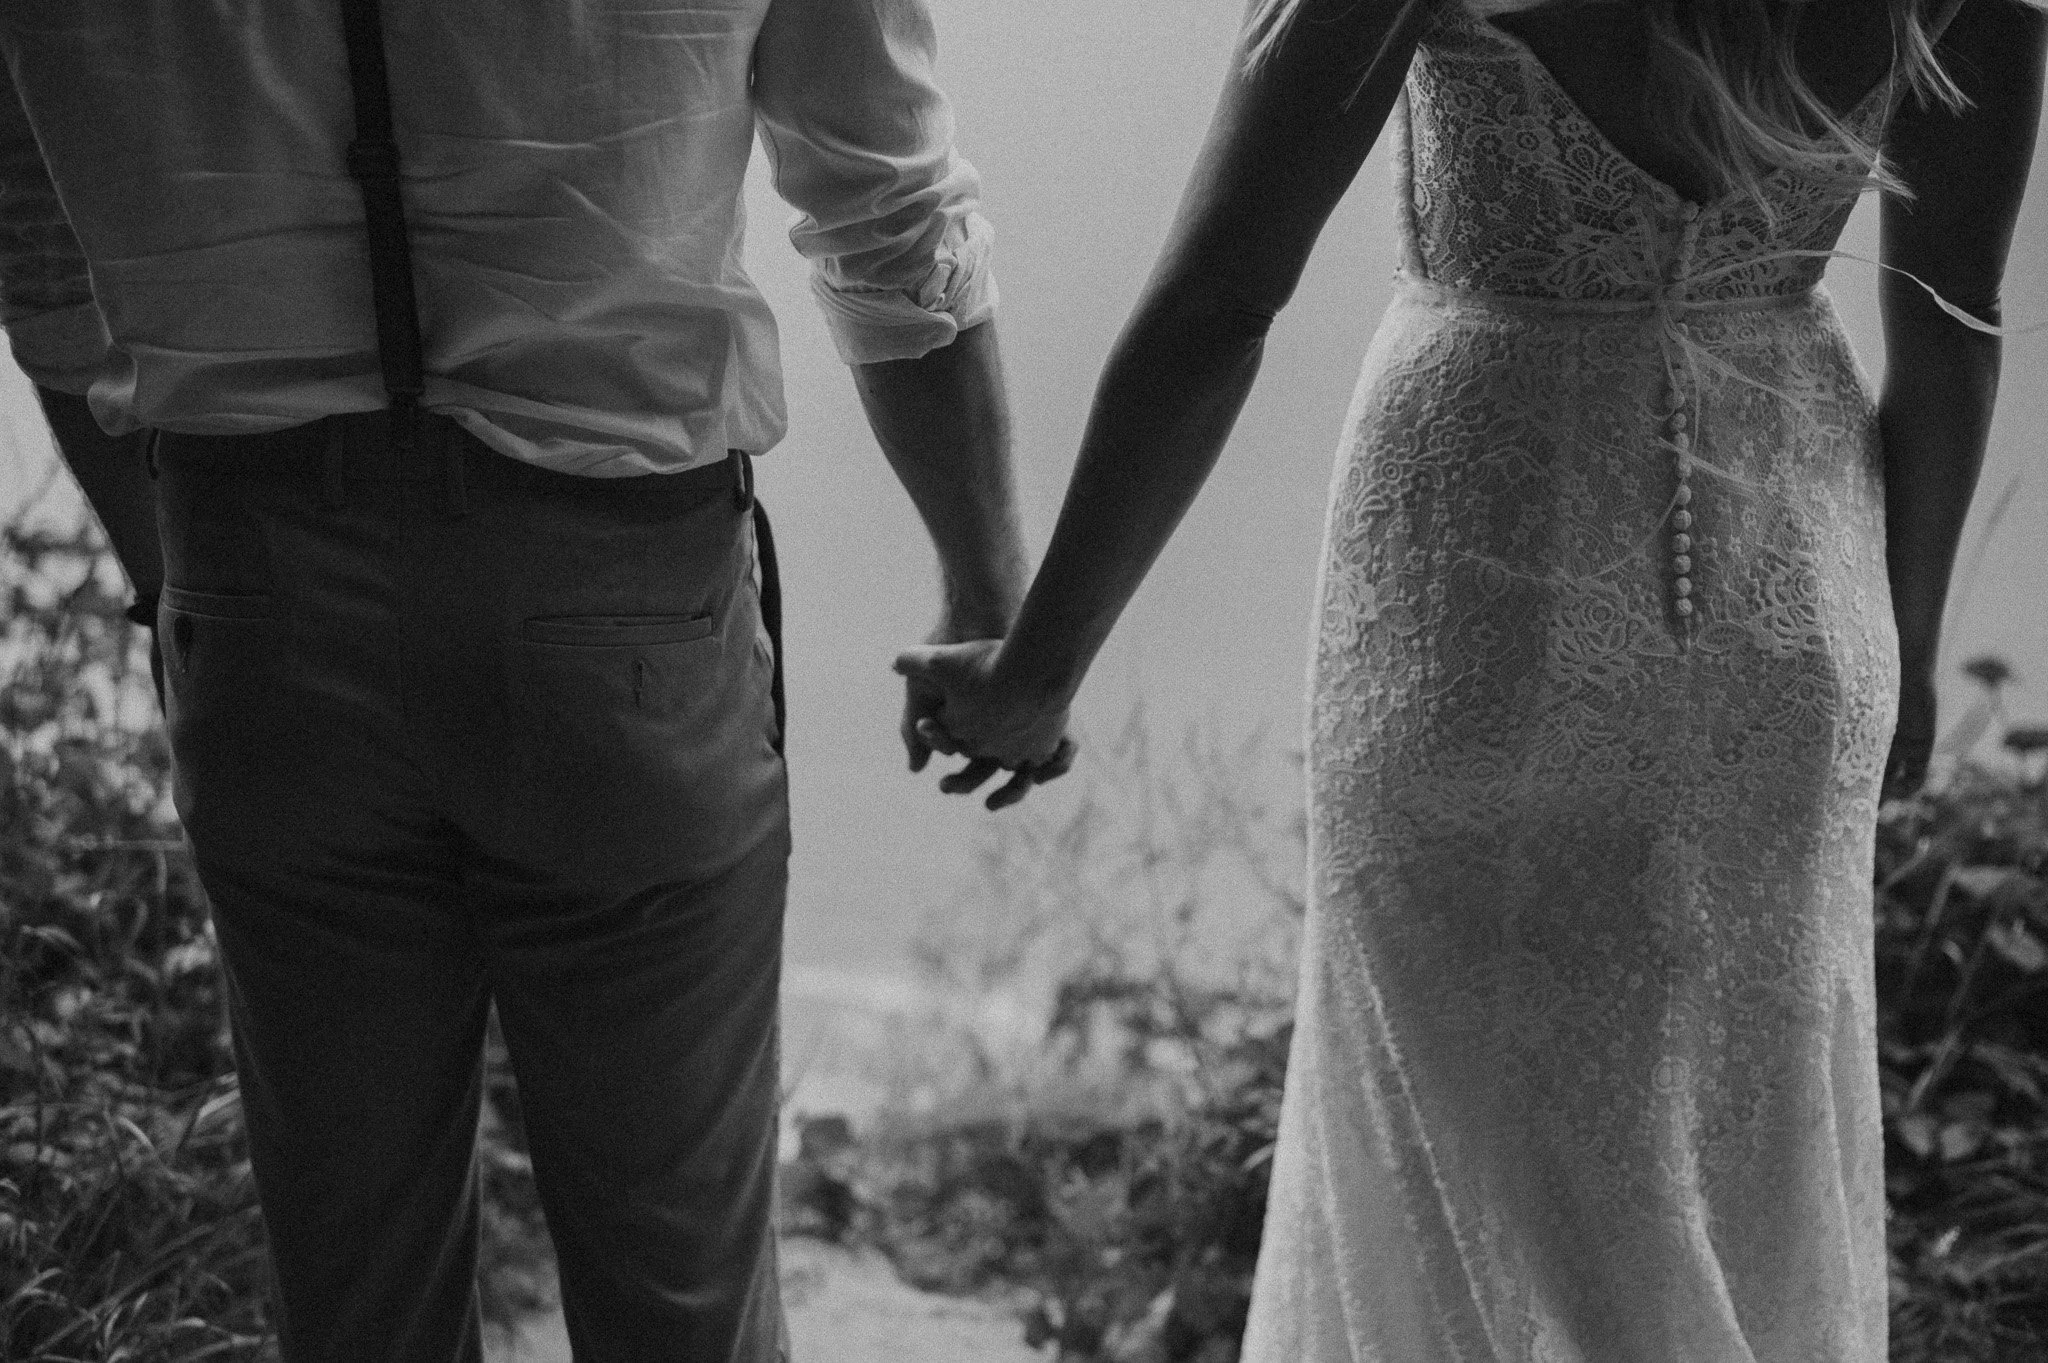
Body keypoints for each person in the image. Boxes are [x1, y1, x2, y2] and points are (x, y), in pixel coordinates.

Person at [899, 0, 2045, 1356]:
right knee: (1737, 1156)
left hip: (1478, 591)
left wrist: (1041, 668)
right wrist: (1900, 652)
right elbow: (1954, 326)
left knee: (1460, 1174)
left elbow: (1221, 304)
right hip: (1785, 609)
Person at [0, 3, 1072, 1361]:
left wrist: (181, 594)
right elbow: (890, 217)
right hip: (621, 609)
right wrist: (989, 595)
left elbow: (40, 259)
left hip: (254, 589)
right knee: (683, 1300)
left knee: (356, 1302)